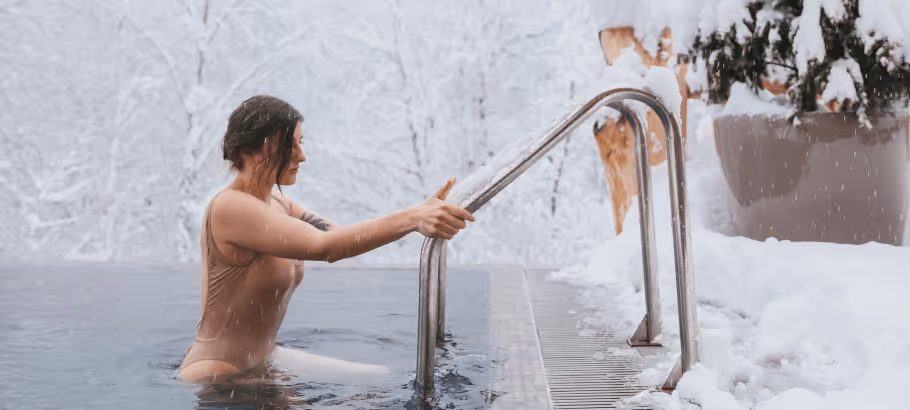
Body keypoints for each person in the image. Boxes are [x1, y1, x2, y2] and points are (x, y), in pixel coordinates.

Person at [179, 95, 474, 383]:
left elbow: (337, 237)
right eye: (289, 145)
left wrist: (418, 211)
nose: (301, 156)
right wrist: (413, 218)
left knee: (378, 381)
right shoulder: (231, 208)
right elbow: (328, 248)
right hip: (220, 372)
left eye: (300, 142)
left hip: (263, 359)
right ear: (253, 150)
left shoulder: (279, 206)